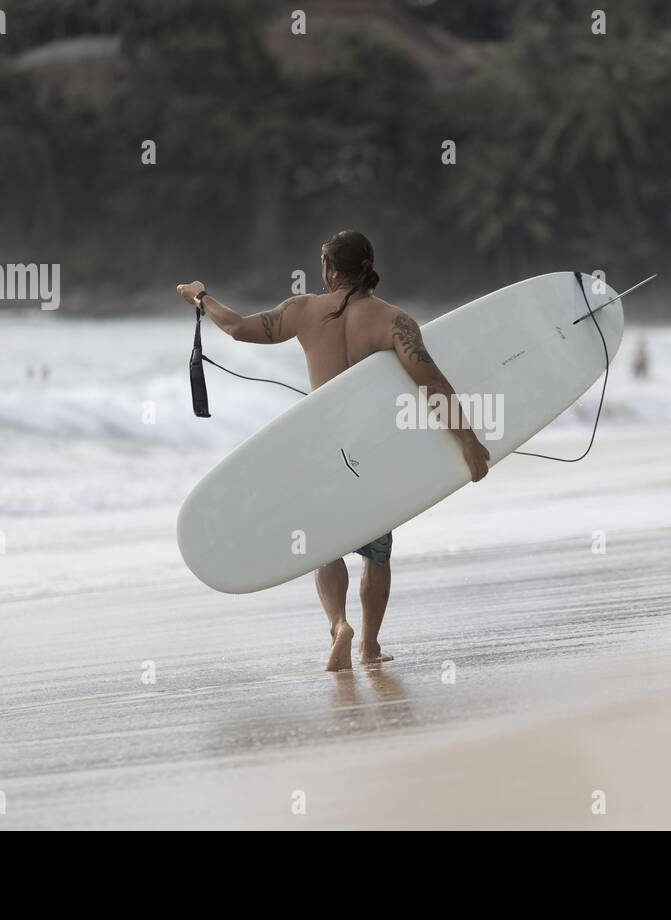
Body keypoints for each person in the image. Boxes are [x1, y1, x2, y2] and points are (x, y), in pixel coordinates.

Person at [175, 230, 491, 671]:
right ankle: (370, 647)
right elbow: (432, 385)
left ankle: (339, 626)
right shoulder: (393, 321)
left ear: (332, 269)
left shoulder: (303, 309)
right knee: (377, 551)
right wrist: (469, 443)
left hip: (321, 448)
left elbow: (238, 328)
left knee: (325, 544)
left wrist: (200, 296)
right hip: (370, 451)